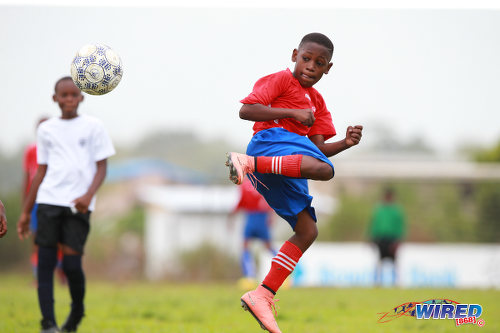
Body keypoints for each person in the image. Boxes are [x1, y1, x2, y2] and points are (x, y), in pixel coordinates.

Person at [225, 32, 363, 333]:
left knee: (307, 230)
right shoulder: (279, 81)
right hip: (268, 143)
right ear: (294, 56)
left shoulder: (318, 103)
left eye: (319, 63)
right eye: (306, 58)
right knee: (326, 172)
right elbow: (246, 111)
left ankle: (262, 295)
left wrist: (345, 143)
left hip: (284, 165)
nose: (311, 66)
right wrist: (291, 111)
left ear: (328, 68)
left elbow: (318, 152)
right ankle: (248, 164)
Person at [17, 76, 115, 333]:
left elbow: (102, 167)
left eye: (74, 95)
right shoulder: (46, 129)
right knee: (45, 265)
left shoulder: (94, 126)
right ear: (55, 99)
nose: (69, 100)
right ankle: (47, 323)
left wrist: (88, 195)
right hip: (48, 201)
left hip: (78, 206)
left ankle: (76, 311)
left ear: (82, 98)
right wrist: (26, 212)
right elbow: (40, 171)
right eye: (64, 95)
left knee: (72, 266)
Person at [22, 117, 67, 286]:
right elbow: (27, 178)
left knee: (60, 240)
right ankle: (38, 277)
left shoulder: (60, 150)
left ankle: (63, 273)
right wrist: (24, 207)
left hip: (56, 200)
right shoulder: (31, 151)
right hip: (35, 202)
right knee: (37, 241)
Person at [227, 177, 277, 289]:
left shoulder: (244, 185)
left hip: (251, 218)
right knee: (269, 247)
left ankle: (250, 277)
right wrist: (271, 216)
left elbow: (240, 202)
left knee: (245, 247)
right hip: (261, 218)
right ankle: (285, 272)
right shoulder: (263, 182)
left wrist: (231, 218)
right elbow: (270, 200)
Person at [368, 187, 406, 286]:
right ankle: (377, 282)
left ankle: (396, 282)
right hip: (381, 238)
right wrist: (372, 238)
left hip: (392, 239)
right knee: (379, 261)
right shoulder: (379, 210)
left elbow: (400, 226)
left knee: (394, 262)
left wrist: (398, 240)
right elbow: (374, 224)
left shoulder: (396, 211)